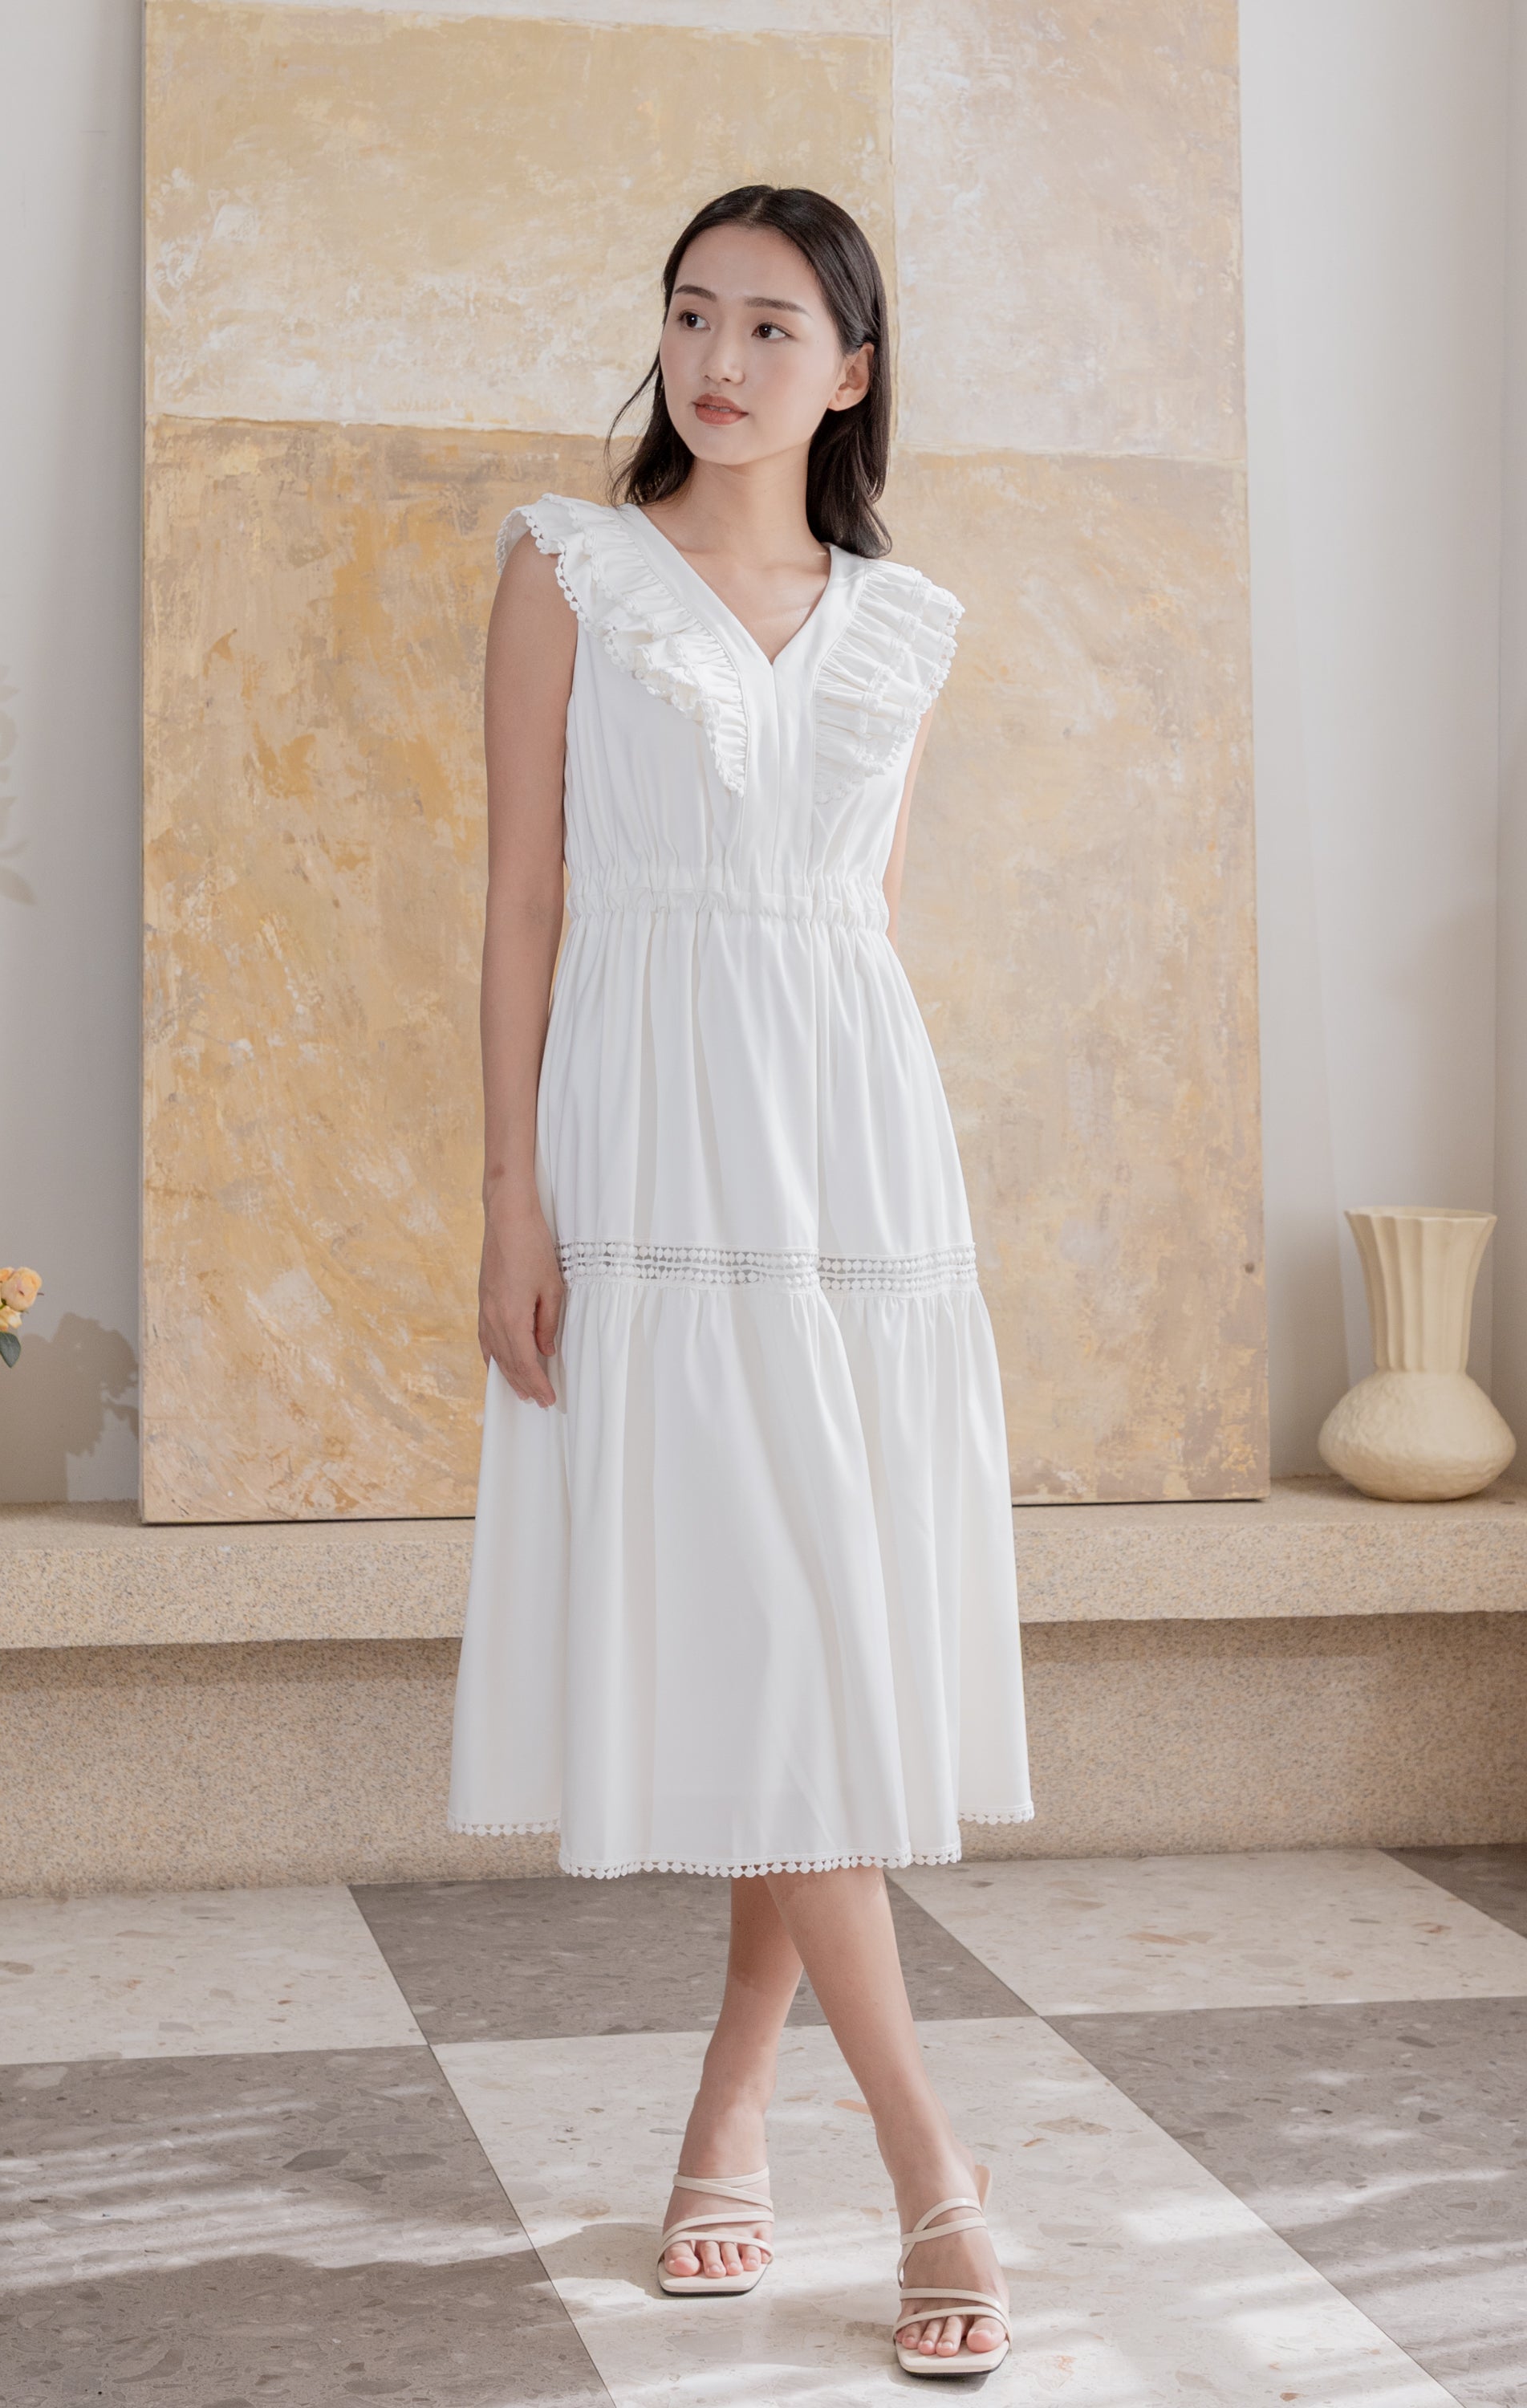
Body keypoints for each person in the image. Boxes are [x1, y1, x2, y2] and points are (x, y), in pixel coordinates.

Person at [449, 182, 1033, 2377]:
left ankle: (731, 2106)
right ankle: (934, 2169)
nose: (717, 357)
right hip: (647, 1145)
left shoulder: (906, 624)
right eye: (692, 313)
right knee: (766, 1626)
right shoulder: (568, 569)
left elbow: (852, 916)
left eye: (772, 325)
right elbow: (523, 900)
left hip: (853, 1156)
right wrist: (512, 1200)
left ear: (851, 371)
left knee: (809, 1643)